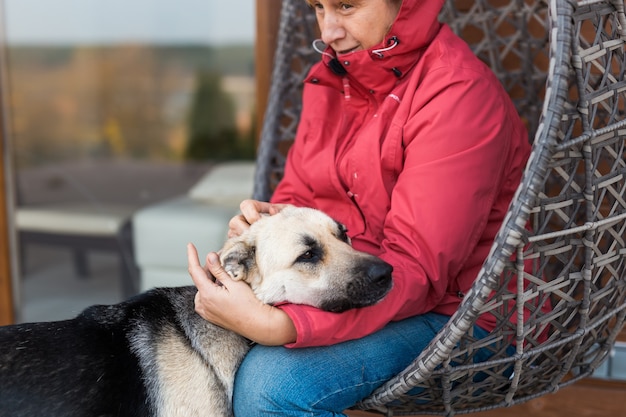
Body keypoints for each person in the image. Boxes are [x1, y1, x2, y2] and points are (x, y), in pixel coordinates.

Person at [187, 0, 531, 415]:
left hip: (464, 316)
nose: (328, 31)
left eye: (346, 6)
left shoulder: (457, 95)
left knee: (272, 384)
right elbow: (300, 200)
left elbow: (416, 270)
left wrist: (284, 326)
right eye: (318, 7)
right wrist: (266, 230)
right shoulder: (333, 79)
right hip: (352, 285)